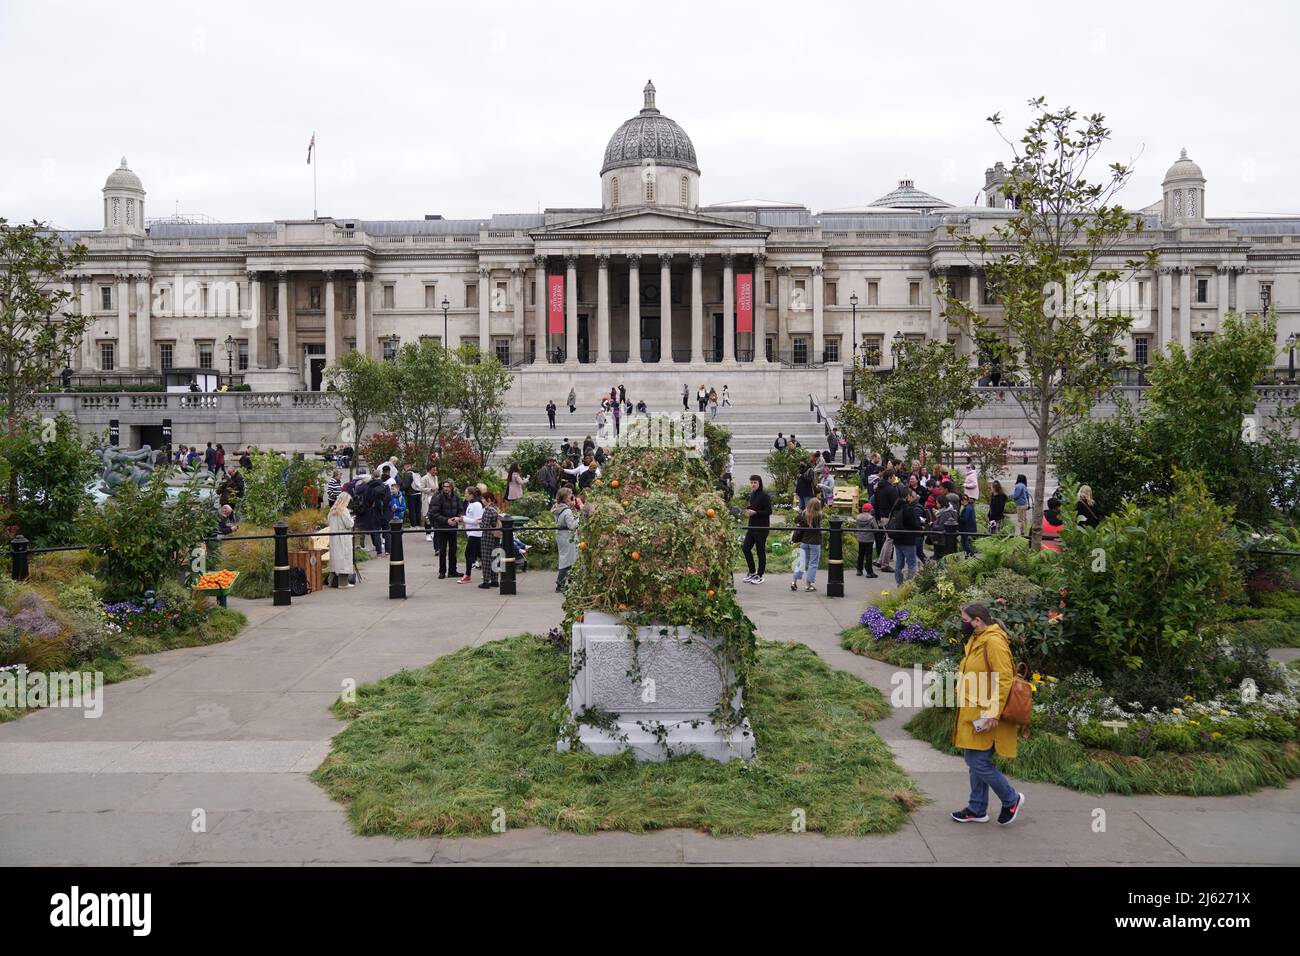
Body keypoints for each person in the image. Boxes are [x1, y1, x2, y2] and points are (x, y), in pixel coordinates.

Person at [950, 603, 1025, 826]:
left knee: (977, 760)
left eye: (964, 619)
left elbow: (1003, 679)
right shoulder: (978, 637)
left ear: (977, 621)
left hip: (986, 713)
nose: (961, 623)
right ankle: (977, 808)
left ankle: (1011, 799)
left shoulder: (993, 641)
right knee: (975, 758)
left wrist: (993, 712)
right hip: (974, 710)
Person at [428, 479, 463, 578]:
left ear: (452, 487)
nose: (446, 488)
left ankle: (452, 571)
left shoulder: (456, 498)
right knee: (442, 550)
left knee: (453, 549)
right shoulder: (438, 497)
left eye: (448, 486)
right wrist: (446, 520)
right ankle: (442, 571)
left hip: (453, 527)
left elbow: (460, 510)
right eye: (444, 486)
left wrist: (457, 518)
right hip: (442, 527)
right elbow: (435, 513)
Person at [741, 475, 772, 584]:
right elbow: (754, 507)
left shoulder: (764, 495)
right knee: (745, 548)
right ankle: (752, 571)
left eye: (755, 482)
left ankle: (760, 575)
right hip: (752, 527)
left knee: (760, 552)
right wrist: (748, 510)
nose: (753, 484)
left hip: (761, 528)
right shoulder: (752, 495)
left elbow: (769, 511)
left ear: (759, 483)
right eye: (752, 482)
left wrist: (756, 512)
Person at [891, 487, 924, 585]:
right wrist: (921, 527)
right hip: (908, 539)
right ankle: (909, 586)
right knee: (912, 564)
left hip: (897, 539)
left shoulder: (896, 507)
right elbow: (915, 524)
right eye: (912, 496)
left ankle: (899, 584)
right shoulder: (909, 509)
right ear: (908, 496)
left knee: (899, 564)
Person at [790, 498, 824, 592]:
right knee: (813, 563)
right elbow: (821, 512)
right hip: (815, 542)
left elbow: (796, 520)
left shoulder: (803, 514)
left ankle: (794, 582)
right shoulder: (819, 515)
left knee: (801, 562)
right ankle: (808, 585)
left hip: (804, 541)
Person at [552, 487, 580, 592]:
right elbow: (572, 525)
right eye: (570, 495)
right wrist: (579, 518)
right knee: (568, 560)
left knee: (566, 558)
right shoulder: (567, 511)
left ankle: (569, 582)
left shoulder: (557, 507)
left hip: (561, 536)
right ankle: (561, 584)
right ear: (566, 497)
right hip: (568, 537)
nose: (572, 496)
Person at [328, 491, 357, 588]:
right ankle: (343, 583)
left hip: (333, 537)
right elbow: (349, 524)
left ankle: (331, 582)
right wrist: (352, 519)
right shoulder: (344, 511)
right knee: (344, 558)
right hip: (343, 537)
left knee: (335, 558)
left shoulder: (332, 511)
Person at [459, 486, 484, 583]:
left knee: (468, 553)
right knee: (480, 554)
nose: (465, 495)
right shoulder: (470, 504)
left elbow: (477, 521)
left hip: (476, 533)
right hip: (471, 532)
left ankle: (467, 575)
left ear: (471, 494)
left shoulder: (477, 505)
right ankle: (490, 571)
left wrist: (463, 519)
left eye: (466, 493)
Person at [479, 491, 500, 589]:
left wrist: (479, 522)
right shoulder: (496, 508)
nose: (482, 500)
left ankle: (486, 581)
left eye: (483, 499)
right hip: (496, 536)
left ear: (488, 500)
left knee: (486, 558)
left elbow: (485, 526)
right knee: (495, 557)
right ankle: (495, 580)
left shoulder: (488, 510)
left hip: (488, 537)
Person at [854, 503, 878, 577]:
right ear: (870, 510)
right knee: (868, 555)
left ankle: (859, 570)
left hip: (860, 539)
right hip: (869, 539)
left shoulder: (858, 517)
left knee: (860, 554)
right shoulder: (871, 518)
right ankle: (869, 572)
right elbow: (876, 528)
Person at [417, 464, 438, 539]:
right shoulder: (424, 478)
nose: (435, 471)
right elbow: (421, 488)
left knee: (434, 515)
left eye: (436, 470)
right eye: (433, 470)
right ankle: (428, 534)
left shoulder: (436, 477)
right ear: (429, 470)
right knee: (427, 516)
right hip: (427, 499)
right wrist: (430, 489)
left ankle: (432, 531)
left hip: (435, 498)